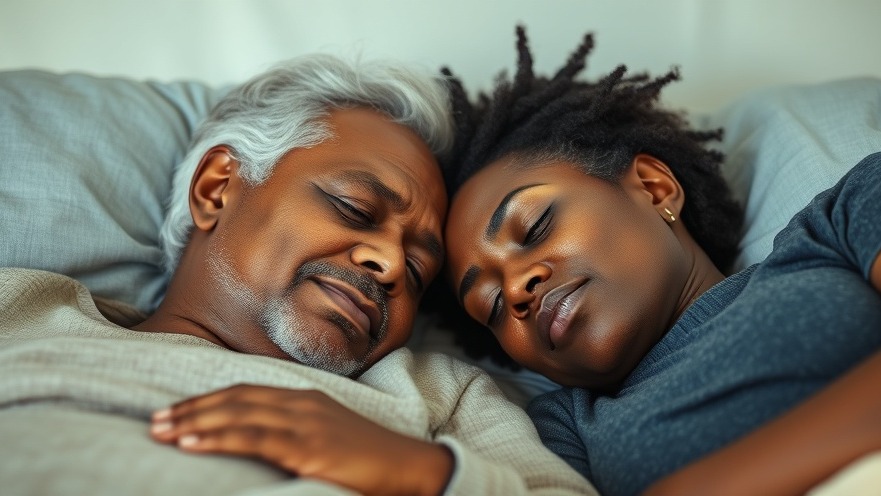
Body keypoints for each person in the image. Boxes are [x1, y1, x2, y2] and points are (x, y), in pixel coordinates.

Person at [0, 54, 595, 495]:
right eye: (355, 209)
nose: (391, 265)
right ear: (216, 188)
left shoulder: (437, 394)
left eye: (418, 271)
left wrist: (422, 474)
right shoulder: (25, 309)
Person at [439, 26, 881, 495]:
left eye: (534, 227)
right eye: (491, 306)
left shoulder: (841, 219)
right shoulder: (560, 429)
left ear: (654, 187)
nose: (515, 289)